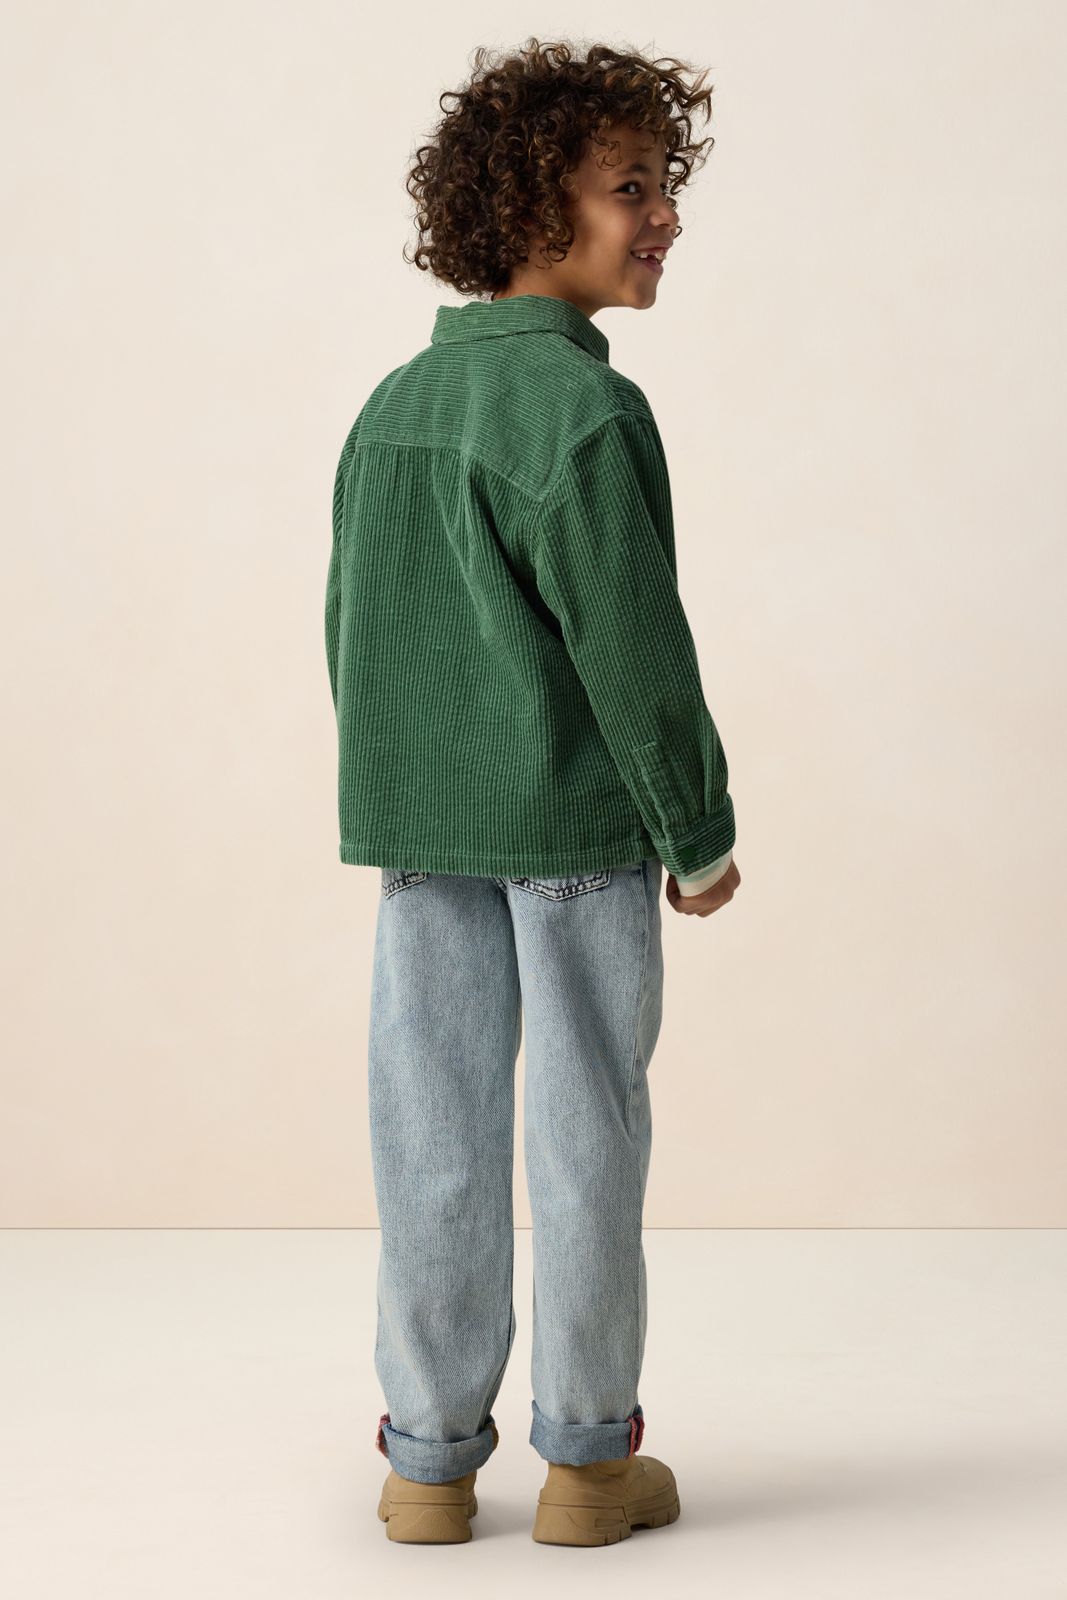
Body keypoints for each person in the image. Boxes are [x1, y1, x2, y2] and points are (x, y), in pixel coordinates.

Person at [326, 36, 741, 1546]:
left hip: (424, 837)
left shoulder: (392, 408)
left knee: (428, 1138)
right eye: (632, 187)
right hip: (573, 834)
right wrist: (696, 830)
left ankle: (428, 1465)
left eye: (665, 184)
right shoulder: (584, 414)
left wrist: (392, 801)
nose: (665, 215)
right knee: (584, 1137)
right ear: (528, 207)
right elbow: (634, 649)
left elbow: (355, 637)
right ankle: (584, 1463)